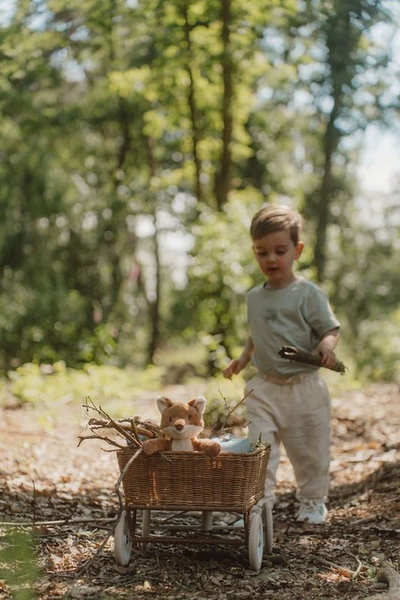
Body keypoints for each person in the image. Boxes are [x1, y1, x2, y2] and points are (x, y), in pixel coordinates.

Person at [223, 204, 340, 524]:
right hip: (264, 386)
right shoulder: (254, 298)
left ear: (297, 250)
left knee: (310, 451)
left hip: (305, 388)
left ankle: (313, 501)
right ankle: (259, 503)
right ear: (254, 252)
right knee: (259, 448)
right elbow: (256, 334)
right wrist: (243, 359)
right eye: (262, 252)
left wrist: (326, 348)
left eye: (279, 250)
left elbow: (330, 328)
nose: (271, 259)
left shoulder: (308, 294)